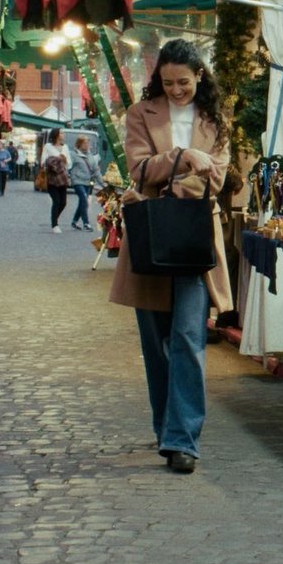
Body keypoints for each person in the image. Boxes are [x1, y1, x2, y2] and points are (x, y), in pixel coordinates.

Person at [109, 38, 232, 474]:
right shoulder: (140, 114)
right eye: (168, 83)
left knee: (188, 340)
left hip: (195, 240)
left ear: (200, 76)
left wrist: (175, 175)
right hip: (152, 236)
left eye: (184, 82)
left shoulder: (216, 118)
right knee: (156, 343)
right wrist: (186, 158)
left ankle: (183, 441)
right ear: (157, 81)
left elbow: (217, 177)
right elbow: (138, 168)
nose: (177, 90)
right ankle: (166, 426)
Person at [40, 129, 71, 233]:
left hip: (62, 177)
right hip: (52, 177)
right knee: (56, 201)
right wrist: (55, 160)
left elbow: (69, 162)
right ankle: (55, 225)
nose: (63, 134)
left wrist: (64, 161)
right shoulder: (48, 146)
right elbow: (43, 161)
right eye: (61, 133)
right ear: (56, 135)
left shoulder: (65, 147)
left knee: (63, 202)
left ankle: (54, 218)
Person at [67, 135, 100, 230]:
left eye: (88, 143)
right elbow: (68, 166)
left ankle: (74, 221)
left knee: (82, 201)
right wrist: (70, 176)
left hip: (87, 181)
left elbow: (95, 170)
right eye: (84, 143)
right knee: (84, 199)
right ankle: (86, 223)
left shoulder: (90, 156)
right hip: (77, 181)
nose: (87, 145)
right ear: (79, 144)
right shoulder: (73, 154)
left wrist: (103, 183)